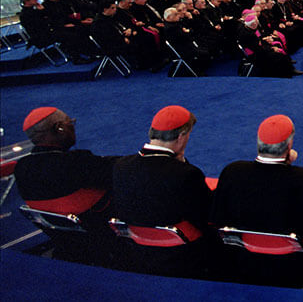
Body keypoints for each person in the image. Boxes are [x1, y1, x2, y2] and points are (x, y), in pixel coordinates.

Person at [210, 114, 303, 286]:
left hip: (242, 262)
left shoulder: (232, 172)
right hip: (290, 268)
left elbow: (216, 219)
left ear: (259, 142)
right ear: (289, 145)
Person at [111, 105, 214, 277]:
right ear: (181, 137)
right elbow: (206, 215)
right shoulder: (186, 174)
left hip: (139, 251)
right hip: (183, 255)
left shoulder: (121, 166)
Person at [15, 106, 119, 265]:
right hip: (100, 235)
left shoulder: (21, 168)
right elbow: (120, 173)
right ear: (60, 128)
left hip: (65, 242)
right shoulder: (75, 163)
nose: (72, 126)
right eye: (71, 122)